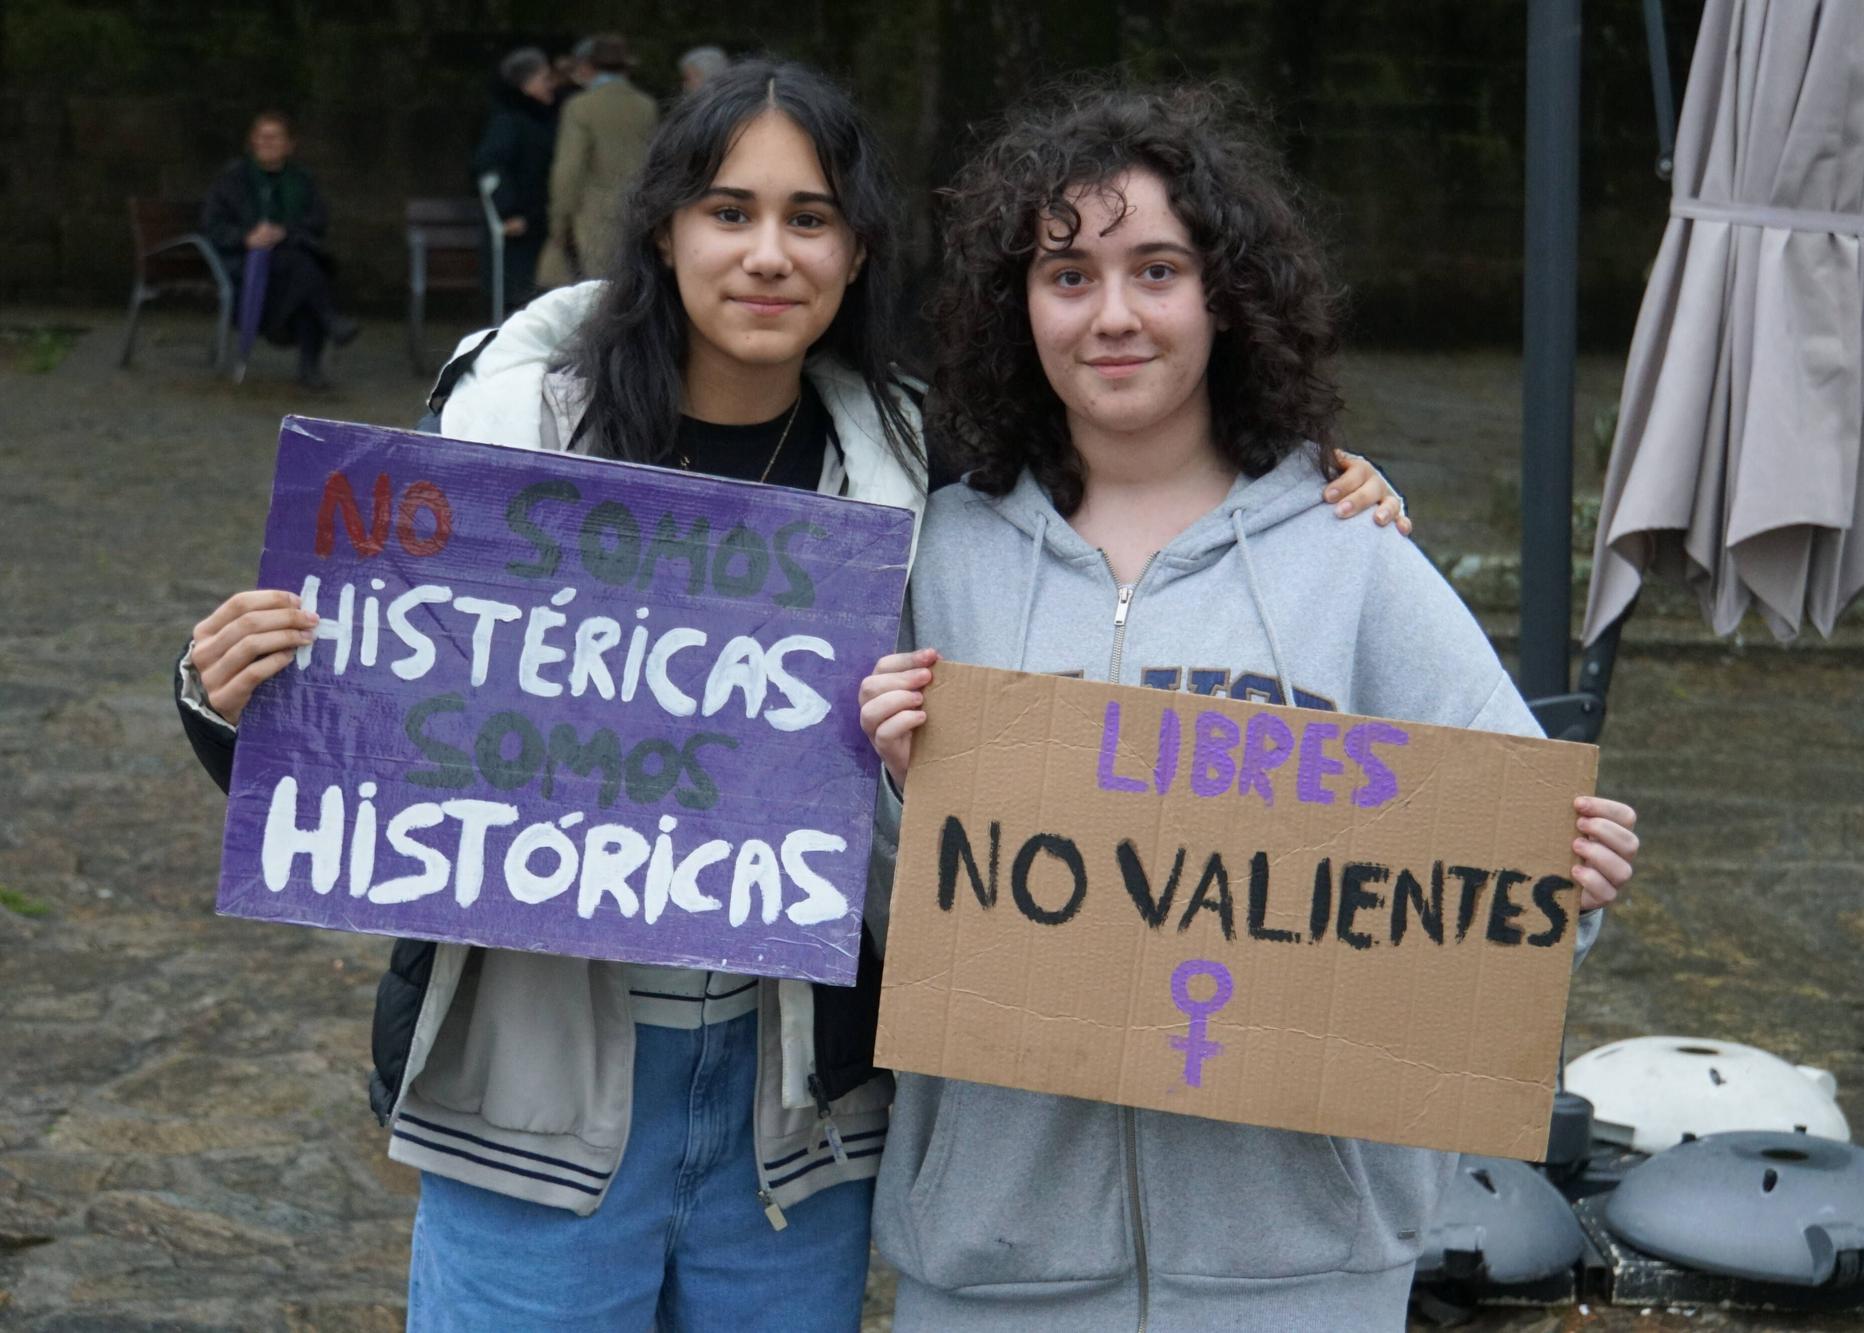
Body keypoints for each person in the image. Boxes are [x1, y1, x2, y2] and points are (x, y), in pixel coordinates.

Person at [172, 63, 1403, 1331]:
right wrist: (230, 689)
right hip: (532, 1098)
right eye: (729, 211)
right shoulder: (501, 453)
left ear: (858, 249)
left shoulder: (924, 478)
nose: (768, 254)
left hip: (799, 1120)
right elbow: (359, 752)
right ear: (663, 228)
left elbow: (1121, 513)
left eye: (809, 218)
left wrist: (1309, 484)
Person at [857, 82, 1641, 1330]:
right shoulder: (932, 559)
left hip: (1300, 1266)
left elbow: (1485, 900)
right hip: (994, 1256)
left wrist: (1569, 887)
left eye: (1156, 269)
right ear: (1016, 307)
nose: (1113, 314)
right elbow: (882, 925)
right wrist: (900, 792)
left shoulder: (1349, 551)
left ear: (1223, 295)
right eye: (1067, 275)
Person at [200, 111, 357, 387]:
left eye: (275, 137)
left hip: (289, 256)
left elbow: (317, 220)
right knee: (307, 269)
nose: (268, 142)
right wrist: (248, 237)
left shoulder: (301, 180)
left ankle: (312, 360)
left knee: (304, 266)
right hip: (244, 262)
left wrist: (282, 232)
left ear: (289, 145)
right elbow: (213, 225)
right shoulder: (233, 179)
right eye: (262, 137)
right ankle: (328, 324)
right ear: (252, 142)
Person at [546, 32, 659, 282]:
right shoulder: (646, 106)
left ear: (587, 67)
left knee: (594, 295)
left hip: (591, 216)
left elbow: (569, 169)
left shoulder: (580, 107)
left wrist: (559, 221)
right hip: (637, 213)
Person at [472, 47, 560, 312]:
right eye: (544, 78)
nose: (550, 85)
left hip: (535, 221)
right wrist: (509, 212)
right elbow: (490, 166)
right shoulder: (509, 121)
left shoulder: (539, 118)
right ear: (526, 84)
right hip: (520, 227)